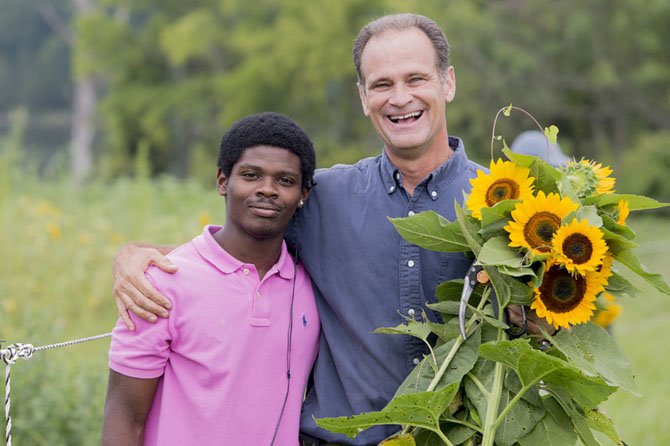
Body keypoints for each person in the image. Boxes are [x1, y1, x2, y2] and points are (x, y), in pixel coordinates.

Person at [112, 14, 550, 445]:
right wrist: (138, 256)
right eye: (382, 84)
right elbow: (233, 250)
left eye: (415, 79)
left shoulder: (507, 207)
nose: (400, 98)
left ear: (448, 83)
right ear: (363, 97)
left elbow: (558, 323)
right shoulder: (324, 197)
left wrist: (535, 322)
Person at [102, 112, 320, 446]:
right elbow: (124, 419)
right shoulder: (158, 284)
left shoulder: (311, 283)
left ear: (303, 193)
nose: (267, 190)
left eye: (285, 181)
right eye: (250, 175)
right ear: (222, 181)